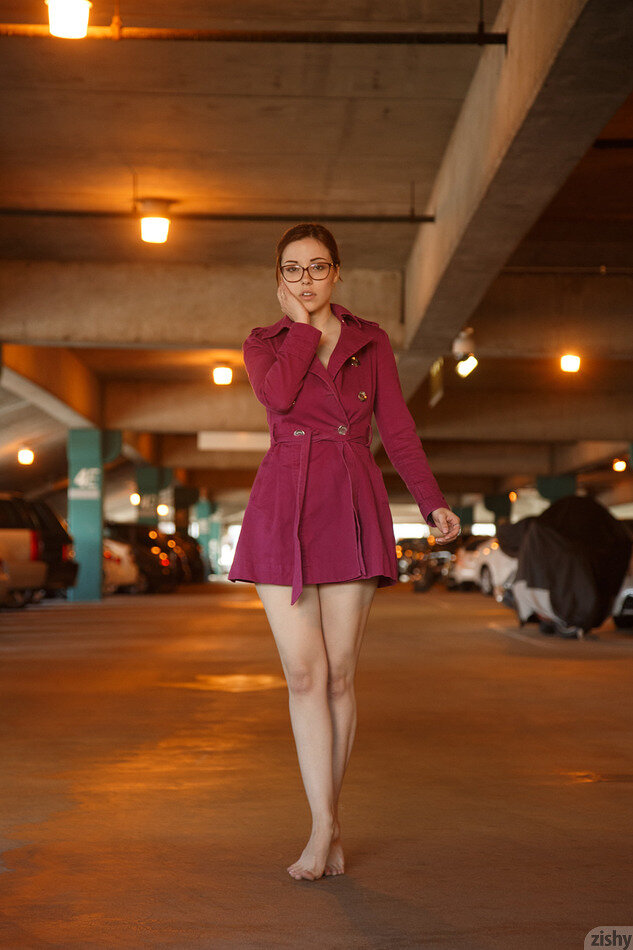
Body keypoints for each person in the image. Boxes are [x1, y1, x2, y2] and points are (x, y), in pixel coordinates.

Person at [228, 223, 461, 881]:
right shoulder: (263, 343)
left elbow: (399, 430)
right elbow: (276, 398)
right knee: (303, 674)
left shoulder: (370, 341)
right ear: (279, 278)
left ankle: (325, 823)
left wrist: (431, 502)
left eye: (317, 267)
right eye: (292, 268)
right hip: (283, 505)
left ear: (336, 272)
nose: (305, 279)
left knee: (337, 676)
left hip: (351, 502)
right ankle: (323, 823)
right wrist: (302, 328)